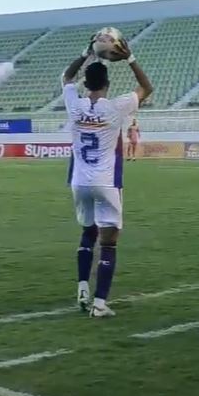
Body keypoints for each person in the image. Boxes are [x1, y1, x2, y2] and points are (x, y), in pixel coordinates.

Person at [63, 36, 153, 318]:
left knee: (87, 232)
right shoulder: (116, 107)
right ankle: (100, 304)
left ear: (85, 84)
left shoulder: (73, 104)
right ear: (107, 85)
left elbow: (67, 76)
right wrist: (129, 58)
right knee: (109, 242)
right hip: (105, 182)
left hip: (79, 181)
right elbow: (146, 88)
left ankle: (81, 288)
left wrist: (86, 53)